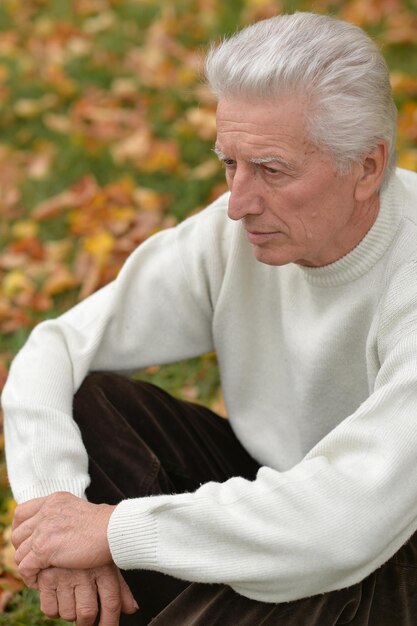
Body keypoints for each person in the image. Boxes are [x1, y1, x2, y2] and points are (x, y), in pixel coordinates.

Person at [4, 10, 417, 626]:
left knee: (311, 564)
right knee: (93, 402)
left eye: (272, 170)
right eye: (230, 164)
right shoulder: (240, 235)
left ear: (366, 167)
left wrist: (115, 530)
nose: (238, 203)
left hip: (388, 548)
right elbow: (56, 346)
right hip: (291, 499)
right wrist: (57, 510)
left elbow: (342, 525)